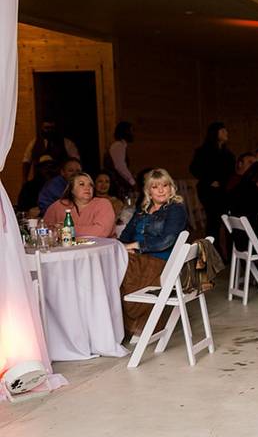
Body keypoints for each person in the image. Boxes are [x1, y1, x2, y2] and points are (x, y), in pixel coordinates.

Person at [118, 169, 188, 339]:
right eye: (155, 187)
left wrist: (136, 246)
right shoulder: (143, 209)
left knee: (123, 269)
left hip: (160, 260)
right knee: (111, 267)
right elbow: (125, 235)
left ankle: (135, 325)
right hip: (138, 257)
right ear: (148, 191)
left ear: (172, 188)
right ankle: (117, 325)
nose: (162, 190)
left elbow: (167, 240)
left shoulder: (175, 209)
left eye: (165, 185)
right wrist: (122, 247)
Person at [189, 122, 235, 239]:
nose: (226, 133)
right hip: (209, 190)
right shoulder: (203, 151)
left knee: (227, 220)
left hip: (224, 190)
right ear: (215, 133)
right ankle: (212, 248)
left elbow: (231, 171)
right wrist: (209, 181)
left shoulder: (228, 153)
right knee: (213, 220)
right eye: (223, 131)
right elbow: (195, 169)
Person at [43, 172, 116, 238]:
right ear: (72, 189)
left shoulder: (103, 204)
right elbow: (44, 230)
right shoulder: (58, 206)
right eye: (82, 184)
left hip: (99, 250)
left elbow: (101, 232)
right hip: (67, 251)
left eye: (90, 185)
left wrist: (67, 230)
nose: (87, 188)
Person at [104, 121, 136, 197]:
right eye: (131, 131)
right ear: (125, 132)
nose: (133, 134)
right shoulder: (118, 146)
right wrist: (132, 181)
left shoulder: (120, 146)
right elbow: (120, 166)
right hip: (115, 184)